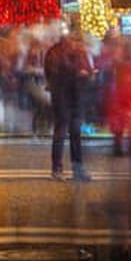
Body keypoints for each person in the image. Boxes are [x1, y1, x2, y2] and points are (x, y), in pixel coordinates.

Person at [45, 25, 93, 181]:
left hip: (69, 96)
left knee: (70, 132)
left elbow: (51, 73)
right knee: (66, 131)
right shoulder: (61, 52)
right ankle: (65, 168)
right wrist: (81, 74)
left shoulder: (58, 51)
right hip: (66, 96)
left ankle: (67, 168)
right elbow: (55, 73)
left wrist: (85, 74)